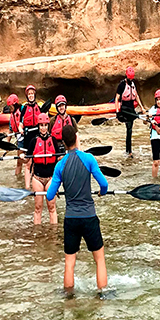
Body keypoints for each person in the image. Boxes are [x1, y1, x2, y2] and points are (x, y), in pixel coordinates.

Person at [46, 124, 109, 293]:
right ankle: (102, 294)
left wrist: (56, 190)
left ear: (63, 143)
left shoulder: (60, 165)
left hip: (71, 219)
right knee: (99, 260)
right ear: (76, 138)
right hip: (89, 217)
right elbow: (104, 184)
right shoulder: (89, 159)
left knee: (69, 262)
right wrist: (102, 193)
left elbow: (49, 195)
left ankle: (69, 297)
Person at [23, 113, 59, 225]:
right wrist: (22, 157)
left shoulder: (53, 140)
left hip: (51, 178)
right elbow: (27, 162)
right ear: (38, 126)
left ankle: (53, 233)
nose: (43, 128)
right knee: (38, 208)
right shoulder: (33, 141)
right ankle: (37, 233)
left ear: (48, 126)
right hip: (37, 178)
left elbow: (59, 160)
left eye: (45, 125)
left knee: (51, 207)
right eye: (41, 125)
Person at [115, 67, 145, 158]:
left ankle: (128, 150)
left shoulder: (133, 84)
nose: (131, 80)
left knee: (130, 129)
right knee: (129, 128)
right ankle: (129, 151)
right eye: (129, 78)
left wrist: (142, 108)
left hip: (131, 108)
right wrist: (117, 111)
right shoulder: (122, 85)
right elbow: (117, 98)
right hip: (124, 108)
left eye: (132, 78)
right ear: (126, 76)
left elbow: (136, 96)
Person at [20, 85, 43, 188]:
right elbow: (20, 123)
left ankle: (35, 182)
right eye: (29, 94)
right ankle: (27, 186)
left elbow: (44, 121)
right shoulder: (24, 108)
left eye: (32, 94)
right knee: (28, 162)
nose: (31, 95)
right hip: (28, 136)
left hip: (37, 135)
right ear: (27, 96)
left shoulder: (39, 107)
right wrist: (20, 129)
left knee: (36, 161)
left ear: (34, 95)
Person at [145, 89, 160, 178]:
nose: (159, 102)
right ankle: (154, 180)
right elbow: (145, 122)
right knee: (156, 162)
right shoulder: (152, 110)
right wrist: (148, 117)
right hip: (155, 138)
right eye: (157, 100)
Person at [6, 93, 24, 179]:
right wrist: (7, 144)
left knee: (30, 162)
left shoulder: (22, 111)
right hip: (19, 140)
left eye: (11, 106)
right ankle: (18, 180)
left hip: (26, 138)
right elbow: (10, 130)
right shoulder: (12, 116)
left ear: (15, 104)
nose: (10, 108)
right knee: (19, 162)